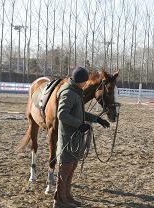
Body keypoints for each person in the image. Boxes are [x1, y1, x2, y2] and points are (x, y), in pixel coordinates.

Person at [54, 66, 110, 208]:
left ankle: (67, 196)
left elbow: (79, 113)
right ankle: (60, 201)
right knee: (65, 168)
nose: (86, 84)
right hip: (68, 137)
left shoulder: (76, 92)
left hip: (75, 137)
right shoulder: (68, 93)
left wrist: (97, 119)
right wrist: (79, 125)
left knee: (71, 167)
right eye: (84, 81)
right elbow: (62, 114)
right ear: (79, 81)